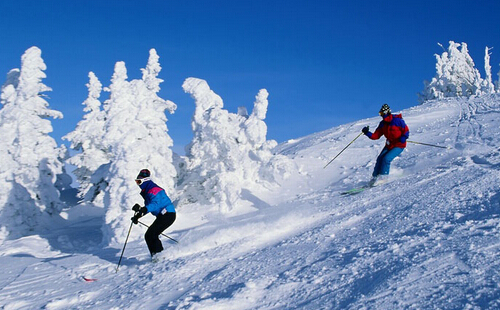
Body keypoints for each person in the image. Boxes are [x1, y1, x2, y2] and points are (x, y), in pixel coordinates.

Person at [131, 169, 176, 260]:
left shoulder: (153, 189)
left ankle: (159, 257)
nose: (138, 184)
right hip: (163, 215)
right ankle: (157, 256)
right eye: (136, 181)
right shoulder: (148, 191)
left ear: (145, 180)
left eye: (139, 181)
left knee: (151, 234)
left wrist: (143, 209)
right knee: (149, 235)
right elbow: (149, 206)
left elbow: (155, 204)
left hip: (168, 214)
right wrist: (138, 215)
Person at [362, 104, 409, 185]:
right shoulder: (383, 124)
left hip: (399, 145)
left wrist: (403, 137)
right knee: (380, 159)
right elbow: (376, 136)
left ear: (386, 112)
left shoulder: (397, 121)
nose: (381, 116)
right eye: (380, 114)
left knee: (386, 159)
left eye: (382, 113)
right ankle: (374, 178)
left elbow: (406, 131)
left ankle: (383, 178)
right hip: (389, 145)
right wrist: (367, 133)